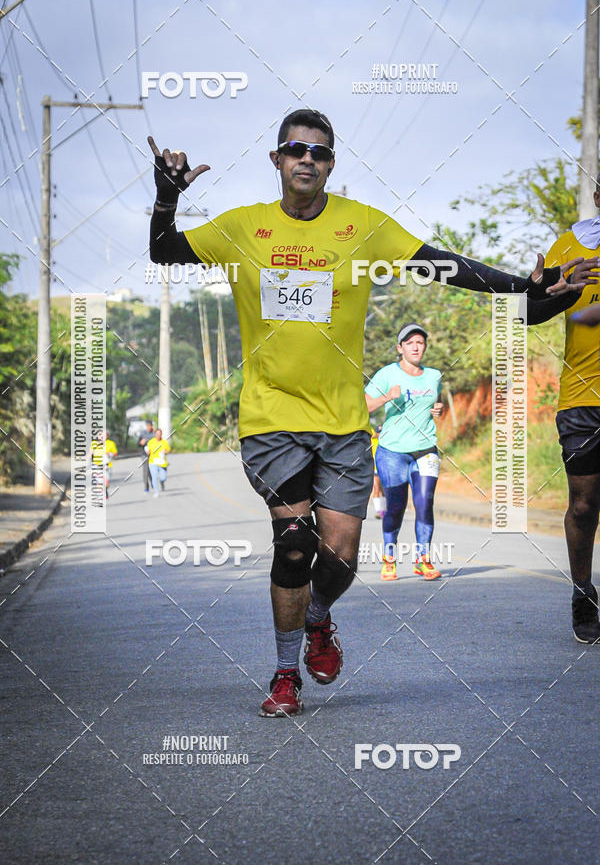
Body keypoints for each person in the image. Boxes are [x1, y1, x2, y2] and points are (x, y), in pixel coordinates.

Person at [148, 108, 589, 717]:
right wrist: (166, 198)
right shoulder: (242, 228)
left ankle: (320, 619)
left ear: (331, 165)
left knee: (343, 557)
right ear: (276, 160)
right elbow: (165, 251)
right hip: (270, 419)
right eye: (296, 149)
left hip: (343, 423)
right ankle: (283, 674)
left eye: (320, 153)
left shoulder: (363, 228)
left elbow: (444, 265)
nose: (308, 159)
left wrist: (527, 286)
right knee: (294, 544)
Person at [538, 189, 600, 643]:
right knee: (584, 504)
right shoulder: (569, 245)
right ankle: (583, 593)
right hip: (582, 396)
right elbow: (523, 313)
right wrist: (550, 292)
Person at [365, 323, 443, 582]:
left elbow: (435, 401)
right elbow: (364, 406)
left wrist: (438, 409)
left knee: (424, 502)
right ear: (400, 348)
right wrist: (388, 396)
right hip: (392, 452)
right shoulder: (386, 374)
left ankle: (423, 560)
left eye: (420, 342)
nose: (416, 346)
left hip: (426, 449)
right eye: (409, 343)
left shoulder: (434, 375)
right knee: (396, 507)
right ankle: (389, 558)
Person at [90, 430, 117, 499]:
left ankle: (105, 490)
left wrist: (110, 454)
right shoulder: (94, 443)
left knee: (106, 482)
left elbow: (115, 454)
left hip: (107, 465)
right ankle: (100, 495)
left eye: (104, 435)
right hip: (96, 465)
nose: (102, 437)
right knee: (99, 481)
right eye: (101, 435)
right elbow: (90, 453)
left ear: (107, 436)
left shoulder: (111, 443)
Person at [146, 428, 170, 497]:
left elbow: (168, 450)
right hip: (153, 462)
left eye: (159, 434)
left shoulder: (164, 442)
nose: (158, 435)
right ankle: (156, 492)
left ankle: (162, 482)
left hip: (162, 462)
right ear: (155, 434)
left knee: (163, 477)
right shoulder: (151, 442)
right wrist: (148, 452)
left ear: (161, 434)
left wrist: (164, 452)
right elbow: (148, 450)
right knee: (154, 477)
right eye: (157, 434)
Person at [370, 427, 386, 519]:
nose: (379, 434)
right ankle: (379, 511)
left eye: (381, 432)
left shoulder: (385, 442)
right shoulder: (373, 440)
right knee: (376, 488)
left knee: (383, 490)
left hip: (383, 468)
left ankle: (384, 509)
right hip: (375, 468)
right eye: (378, 432)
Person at [138, 419, 154, 492]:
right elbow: (138, 443)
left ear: (152, 426)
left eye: (150, 426)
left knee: (151, 470)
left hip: (153, 454)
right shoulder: (143, 433)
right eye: (147, 426)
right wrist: (141, 443)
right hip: (144, 454)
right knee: (145, 471)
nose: (149, 427)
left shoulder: (154, 433)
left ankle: (153, 482)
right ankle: (146, 486)